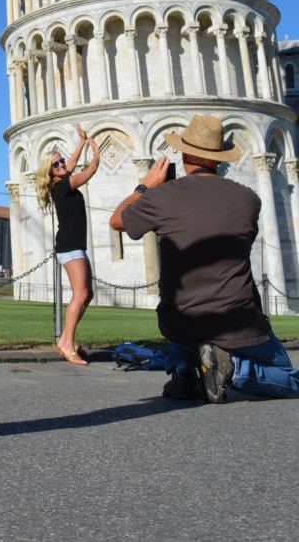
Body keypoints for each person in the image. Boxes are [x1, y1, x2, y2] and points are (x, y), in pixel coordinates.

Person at [109, 115, 299, 403]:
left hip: (182, 321)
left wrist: (145, 186)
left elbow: (116, 220)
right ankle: (233, 368)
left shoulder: (164, 197)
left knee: (181, 311)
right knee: (290, 378)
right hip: (238, 320)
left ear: (184, 155)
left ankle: (185, 371)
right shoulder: (248, 199)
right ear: (219, 159)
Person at [37, 124, 100, 365]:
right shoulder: (62, 186)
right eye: (56, 165)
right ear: (50, 172)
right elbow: (90, 171)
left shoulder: (62, 180)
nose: (62, 165)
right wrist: (95, 153)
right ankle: (67, 343)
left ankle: (65, 339)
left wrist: (81, 142)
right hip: (70, 247)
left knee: (87, 294)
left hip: (75, 246)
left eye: (61, 161)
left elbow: (71, 165)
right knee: (80, 294)